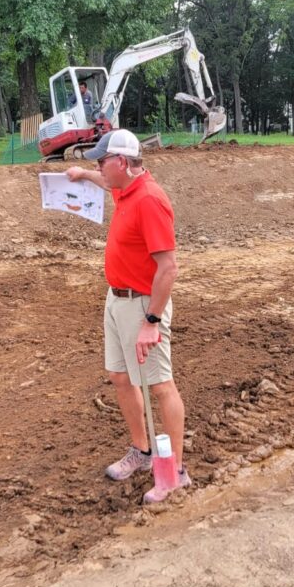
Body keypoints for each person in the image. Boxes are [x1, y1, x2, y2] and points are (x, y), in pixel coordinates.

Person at [66, 129, 190, 504]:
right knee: (120, 377)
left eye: (102, 162)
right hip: (117, 299)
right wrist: (82, 175)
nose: (99, 168)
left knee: (160, 385)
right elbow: (108, 185)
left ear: (121, 162)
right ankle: (142, 451)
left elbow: (167, 268)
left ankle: (175, 472)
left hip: (142, 305)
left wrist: (151, 323)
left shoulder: (150, 200)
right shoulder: (125, 187)